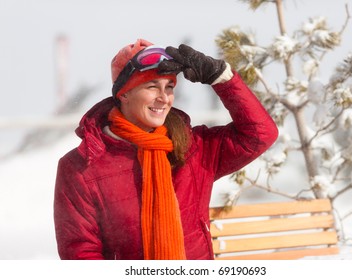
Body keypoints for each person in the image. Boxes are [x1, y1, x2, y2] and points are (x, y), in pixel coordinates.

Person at [53, 38, 278, 260]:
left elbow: (259, 135)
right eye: (152, 86)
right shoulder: (81, 167)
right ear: (123, 93)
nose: (164, 98)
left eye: (169, 87)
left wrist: (221, 78)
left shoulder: (192, 147)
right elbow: (80, 253)